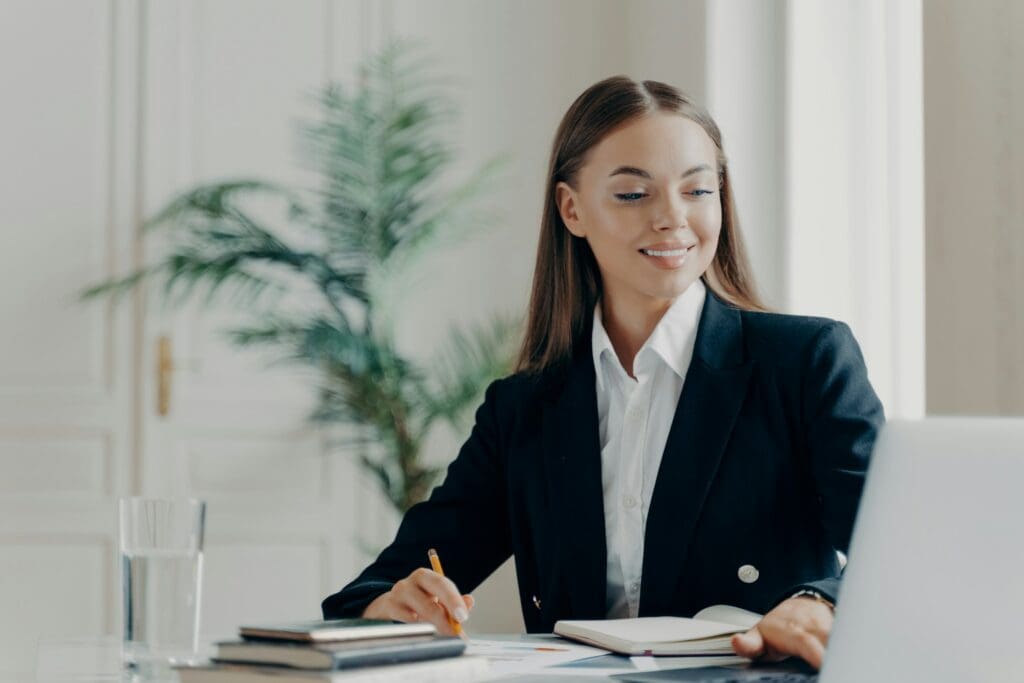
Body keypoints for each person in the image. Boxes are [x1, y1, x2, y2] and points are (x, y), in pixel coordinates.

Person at [321, 76, 885, 670]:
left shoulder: (805, 362)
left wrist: (818, 600)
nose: (673, 218)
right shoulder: (524, 408)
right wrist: (391, 607)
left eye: (697, 190)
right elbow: (370, 591)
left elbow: (904, 555)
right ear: (572, 208)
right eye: (633, 195)